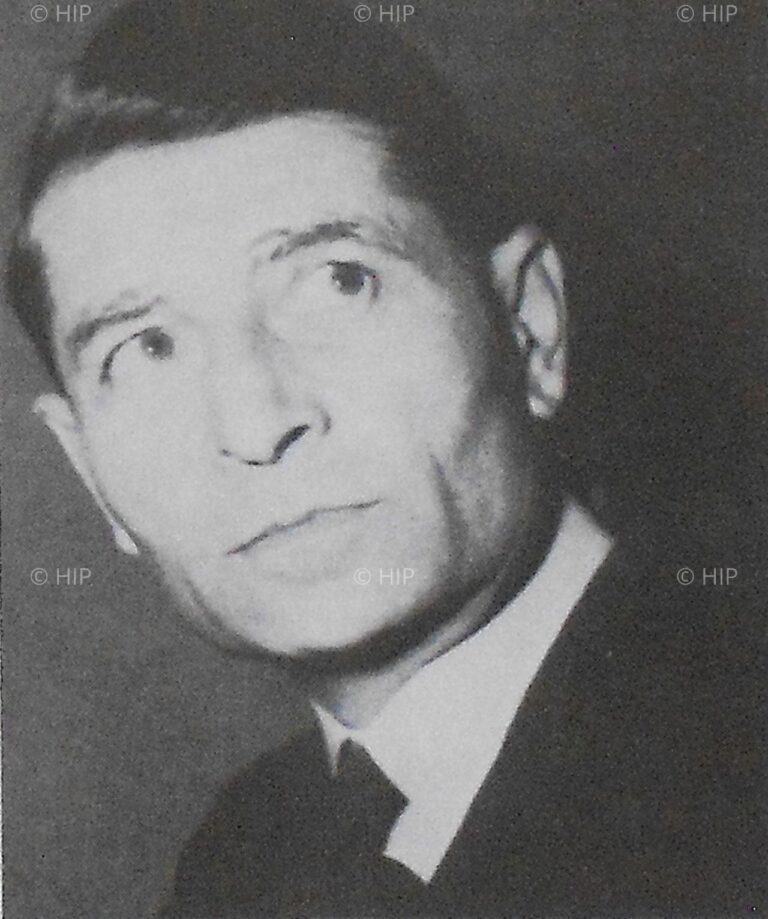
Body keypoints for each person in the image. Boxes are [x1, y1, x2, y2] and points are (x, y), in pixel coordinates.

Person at [6, 0, 764, 916]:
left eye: (339, 281)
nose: (257, 423)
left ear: (530, 326)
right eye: (146, 348)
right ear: (90, 474)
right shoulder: (245, 857)